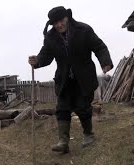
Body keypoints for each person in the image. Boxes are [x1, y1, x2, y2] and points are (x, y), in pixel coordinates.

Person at [28, 6, 113, 153]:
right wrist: (37, 61)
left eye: (61, 21)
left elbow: (99, 46)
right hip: (64, 78)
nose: (59, 25)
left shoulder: (83, 30)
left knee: (83, 107)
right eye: (56, 23)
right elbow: (46, 55)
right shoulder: (51, 37)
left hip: (84, 76)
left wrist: (105, 62)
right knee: (62, 108)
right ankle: (63, 142)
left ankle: (88, 135)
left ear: (67, 17)